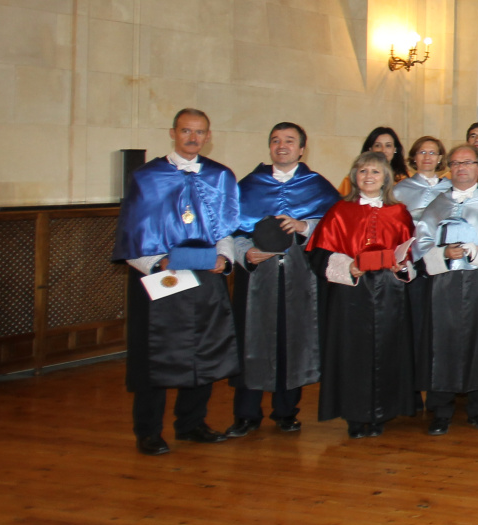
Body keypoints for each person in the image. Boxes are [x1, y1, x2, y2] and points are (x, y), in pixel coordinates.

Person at [113, 108, 240, 455]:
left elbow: (226, 230)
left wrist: (224, 259)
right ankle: (149, 431)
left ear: (208, 136)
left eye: (200, 132)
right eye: (186, 131)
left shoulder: (221, 176)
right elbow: (130, 237)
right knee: (154, 355)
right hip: (161, 278)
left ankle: (191, 423)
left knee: (203, 351)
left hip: (204, 276)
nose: (192, 138)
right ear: (173, 133)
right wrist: (159, 262)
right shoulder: (146, 177)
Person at [226, 122, 338, 437]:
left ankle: (286, 411)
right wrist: (245, 252)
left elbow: (334, 228)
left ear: (302, 148)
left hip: (299, 276)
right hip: (257, 276)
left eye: (289, 141)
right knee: (253, 341)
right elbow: (231, 230)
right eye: (275, 140)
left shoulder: (317, 186)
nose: (282, 146)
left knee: (293, 340)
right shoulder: (248, 185)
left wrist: (304, 226)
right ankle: (246, 414)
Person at [311, 151, 417, 438]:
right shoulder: (339, 211)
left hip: (389, 293)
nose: (368, 177)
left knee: (387, 351)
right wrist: (349, 268)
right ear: (354, 177)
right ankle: (355, 417)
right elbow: (319, 256)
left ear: (386, 179)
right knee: (352, 354)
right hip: (350, 294)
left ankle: (382, 412)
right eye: (362, 172)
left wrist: (401, 265)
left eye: (375, 172)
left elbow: (410, 255)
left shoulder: (400, 213)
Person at [412, 145, 478, 435]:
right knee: (441, 343)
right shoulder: (437, 205)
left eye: (467, 163)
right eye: (455, 163)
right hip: (443, 284)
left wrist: (475, 250)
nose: (461, 168)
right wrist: (445, 254)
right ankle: (441, 410)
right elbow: (421, 246)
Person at [339, 127, 408, 195]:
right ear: (370, 149)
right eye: (378, 145)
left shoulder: (406, 179)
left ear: (395, 149)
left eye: (388, 145)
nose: (383, 150)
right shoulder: (352, 179)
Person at [397, 136, 452, 217]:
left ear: (439, 158)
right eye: (422, 152)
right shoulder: (400, 189)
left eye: (432, 153)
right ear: (414, 157)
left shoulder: (451, 188)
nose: (427, 157)